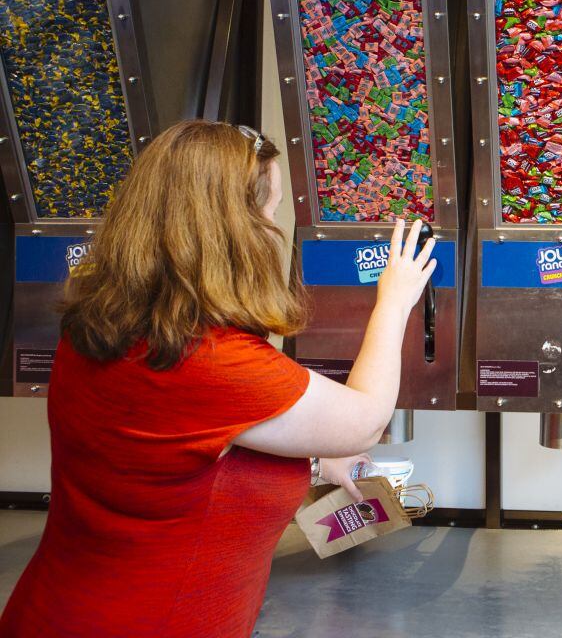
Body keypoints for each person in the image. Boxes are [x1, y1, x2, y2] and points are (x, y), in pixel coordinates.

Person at [0, 121, 435, 637]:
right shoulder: (212, 360)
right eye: (270, 211)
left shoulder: (100, 324)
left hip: (55, 610)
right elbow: (364, 421)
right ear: (233, 227)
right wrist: (395, 299)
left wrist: (315, 460)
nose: (273, 229)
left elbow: (172, 459)